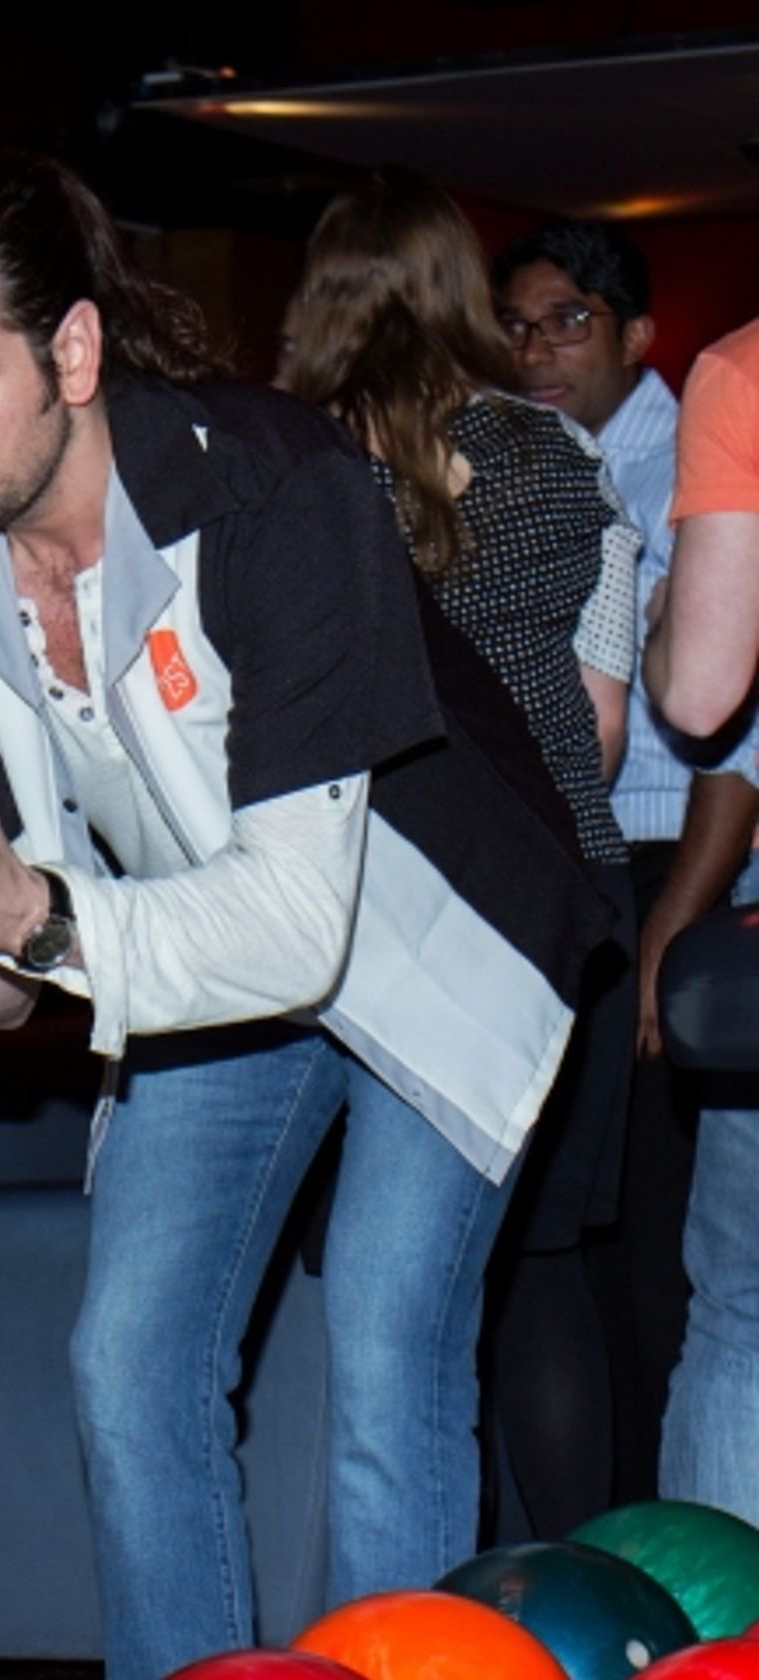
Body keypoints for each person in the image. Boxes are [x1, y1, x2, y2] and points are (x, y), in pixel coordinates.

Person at [0, 144, 609, 1680]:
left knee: (386, 1347)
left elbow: (293, 927)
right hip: (191, 946)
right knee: (129, 1362)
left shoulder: (277, 487)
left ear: (73, 351)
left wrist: (29, 920)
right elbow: (5, 985)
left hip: (429, 937)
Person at [284, 168, 640, 1545]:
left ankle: (438, 1600)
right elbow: (597, 731)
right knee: (536, 1274)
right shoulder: (562, 458)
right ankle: (573, 1604)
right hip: (553, 904)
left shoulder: (285, 474)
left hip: (363, 908)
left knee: (400, 1302)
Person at [494, 217, 759, 1501]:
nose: (538, 350)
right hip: (583, 879)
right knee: (590, 1240)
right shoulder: (525, 462)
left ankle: (677, 1567)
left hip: (681, 873)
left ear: (635, 335)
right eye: (517, 326)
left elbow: (719, 730)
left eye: (569, 321)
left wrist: (671, 926)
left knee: (694, 1278)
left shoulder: (712, 414)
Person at [643, 317, 759, 1526]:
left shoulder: (740, 374)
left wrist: (668, 609)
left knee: (744, 1315)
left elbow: (698, 694)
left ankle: (733, 1637)